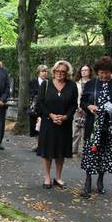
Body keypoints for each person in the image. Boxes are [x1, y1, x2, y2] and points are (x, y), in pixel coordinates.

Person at [80, 56, 112, 198]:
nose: (103, 75)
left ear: (111, 71)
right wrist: (89, 106)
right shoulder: (91, 84)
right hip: (93, 126)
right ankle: (88, 180)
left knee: (105, 154)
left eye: (106, 72)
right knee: (90, 153)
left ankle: (100, 180)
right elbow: (83, 102)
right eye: (101, 72)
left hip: (110, 126)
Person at [36, 60, 78, 189]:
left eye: (63, 72)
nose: (60, 73)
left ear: (67, 73)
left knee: (61, 151)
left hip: (64, 124)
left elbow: (74, 105)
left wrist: (65, 117)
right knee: (47, 151)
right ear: (53, 72)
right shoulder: (46, 84)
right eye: (57, 71)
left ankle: (58, 177)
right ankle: (47, 177)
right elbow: (40, 103)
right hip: (48, 123)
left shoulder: (72, 86)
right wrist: (51, 115)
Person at [72, 64, 93, 155]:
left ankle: (86, 150)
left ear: (90, 72)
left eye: (86, 70)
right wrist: (77, 106)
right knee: (75, 130)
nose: (84, 72)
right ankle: (73, 150)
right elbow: (73, 96)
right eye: (82, 70)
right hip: (77, 109)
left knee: (86, 130)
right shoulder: (76, 83)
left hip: (89, 109)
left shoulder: (93, 83)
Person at [29, 65, 49, 151]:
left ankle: (42, 144)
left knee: (44, 125)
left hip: (46, 107)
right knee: (35, 126)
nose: (44, 73)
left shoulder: (49, 82)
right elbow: (31, 93)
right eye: (42, 71)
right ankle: (38, 144)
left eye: (45, 71)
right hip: (35, 107)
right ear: (38, 72)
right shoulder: (33, 82)